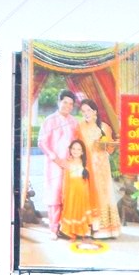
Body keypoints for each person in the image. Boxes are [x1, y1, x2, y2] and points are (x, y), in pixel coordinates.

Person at [76, 98, 122, 239]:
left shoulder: (104, 127)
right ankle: (90, 227)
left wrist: (113, 144)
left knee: (104, 193)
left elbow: (109, 150)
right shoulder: (80, 127)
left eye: (88, 110)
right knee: (88, 194)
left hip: (102, 166)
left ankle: (107, 229)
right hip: (87, 166)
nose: (86, 113)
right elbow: (77, 147)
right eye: (83, 111)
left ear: (95, 111)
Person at [37, 90, 80, 236]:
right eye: (65, 102)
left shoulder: (74, 122)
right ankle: (54, 229)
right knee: (54, 195)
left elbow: (77, 143)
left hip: (70, 164)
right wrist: (56, 158)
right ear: (59, 102)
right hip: (54, 164)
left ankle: (66, 228)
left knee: (69, 195)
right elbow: (42, 142)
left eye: (71, 104)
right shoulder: (50, 120)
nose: (68, 106)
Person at [58, 139, 95, 243]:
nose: (75, 151)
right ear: (70, 150)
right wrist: (64, 194)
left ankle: (82, 232)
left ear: (82, 152)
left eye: (78, 149)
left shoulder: (85, 164)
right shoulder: (67, 163)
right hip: (71, 192)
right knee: (71, 210)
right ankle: (71, 233)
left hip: (82, 193)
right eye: (73, 148)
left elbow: (87, 181)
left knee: (80, 211)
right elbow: (65, 180)